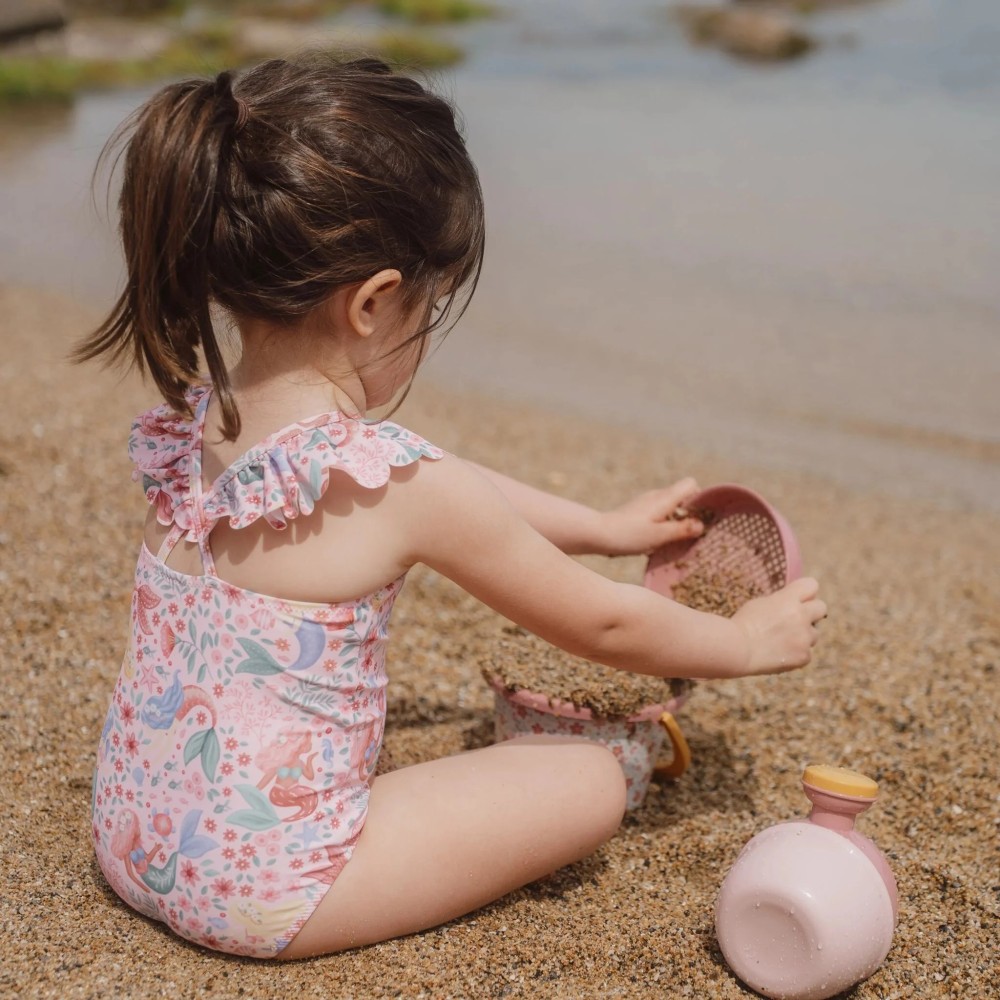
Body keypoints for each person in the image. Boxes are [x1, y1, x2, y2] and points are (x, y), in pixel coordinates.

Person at [78, 57, 825, 961]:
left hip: (127, 834)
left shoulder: (190, 426)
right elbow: (604, 623)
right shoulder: (398, 485)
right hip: (268, 895)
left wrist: (600, 527)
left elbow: (441, 483)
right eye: (431, 306)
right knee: (589, 781)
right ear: (375, 302)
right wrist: (745, 644)